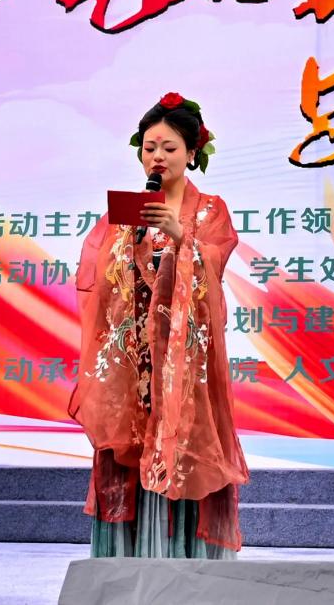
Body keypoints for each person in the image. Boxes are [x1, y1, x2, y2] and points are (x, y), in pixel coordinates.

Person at [69, 91, 249, 558]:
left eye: (169, 148)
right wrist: (129, 246)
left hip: (183, 364)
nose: (158, 157)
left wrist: (180, 236)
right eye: (150, 148)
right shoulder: (126, 213)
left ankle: (185, 566)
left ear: (192, 154)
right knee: (128, 446)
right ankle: (125, 568)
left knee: (184, 443)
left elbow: (213, 268)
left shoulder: (210, 209)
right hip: (134, 363)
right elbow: (99, 280)